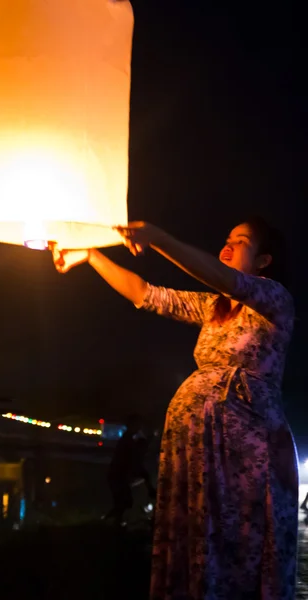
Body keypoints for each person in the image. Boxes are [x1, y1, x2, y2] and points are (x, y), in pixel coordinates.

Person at [51, 216, 298, 599]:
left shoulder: (275, 299)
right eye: (227, 238)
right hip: (198, 445)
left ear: (264, 260)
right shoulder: (215, 308)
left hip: (244, 445)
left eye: (241, 241)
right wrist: (91, 255)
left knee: (240, 538)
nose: (228, 245)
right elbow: (146, 293)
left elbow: (223, 277)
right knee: (199, 536)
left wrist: (160, 238)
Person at [103, 413, 156, 527]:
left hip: (118, 476)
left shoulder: (128, 440)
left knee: (123, 503)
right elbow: (134, 462)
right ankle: (112, 524)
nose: (139, 428)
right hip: (118, 476)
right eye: (137, 425)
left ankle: (112, 523)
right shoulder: (128, 442)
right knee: (123, 503)